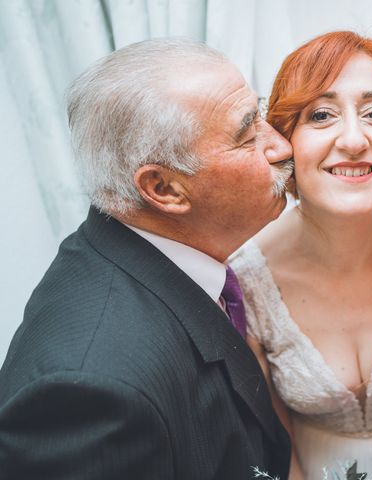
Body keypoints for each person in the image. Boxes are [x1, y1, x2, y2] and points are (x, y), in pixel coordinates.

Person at [0, 38, 294, 479]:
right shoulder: (92, 393)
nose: (281, 147)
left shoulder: (169, 257)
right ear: (164, 189)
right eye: (248, 135)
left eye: (261, 114)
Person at [229, 31, 372, 479]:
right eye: (321, 115)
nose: (353, 140)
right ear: (282, 138)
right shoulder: (245, 279)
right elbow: (270, 441)